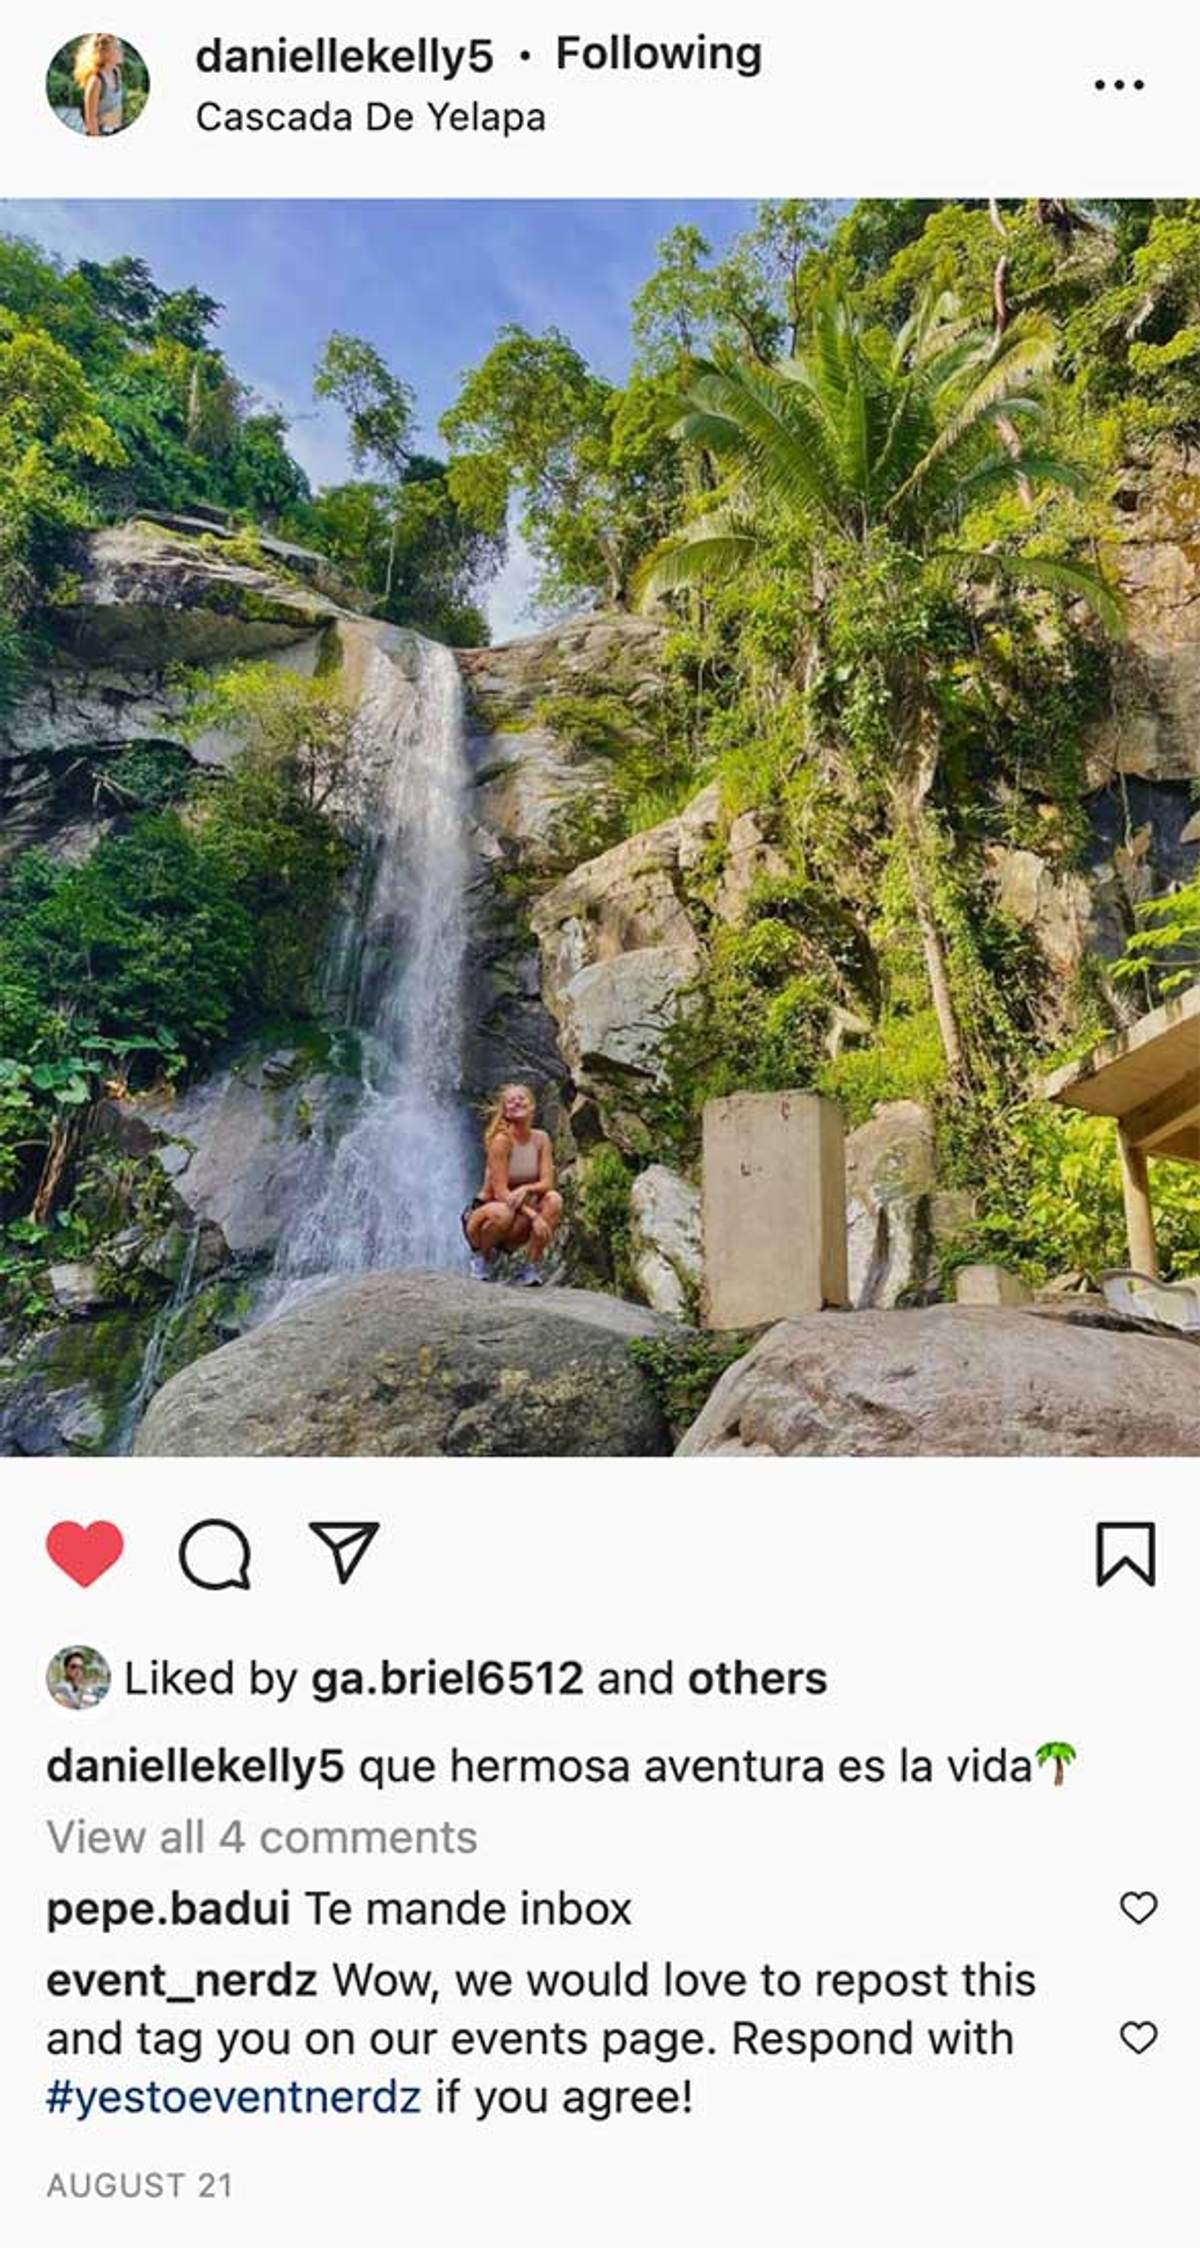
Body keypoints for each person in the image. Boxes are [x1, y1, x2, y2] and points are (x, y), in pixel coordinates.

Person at [462, 1083, 563, 1284]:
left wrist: (526, 1188)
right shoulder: (501, 1141)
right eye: (510, 1100)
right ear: (505, 1112)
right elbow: (500, 1193)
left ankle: (529, 1269)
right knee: (503, 1212)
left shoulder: (541, 1139)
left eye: (521, 1098)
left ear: (532, 1106)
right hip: (485, 1217)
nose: (516, 1102)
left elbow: (547, 1183)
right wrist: (534, 1216)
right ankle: (480, 1257)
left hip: (518, 1218)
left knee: (554, 1200)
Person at [75, 34, 124, 136]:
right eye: (117, 48)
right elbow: (91, 120)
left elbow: (116, 108)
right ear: (105, 53)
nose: (121, 51)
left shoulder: (116, 72)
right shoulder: (95, 81)